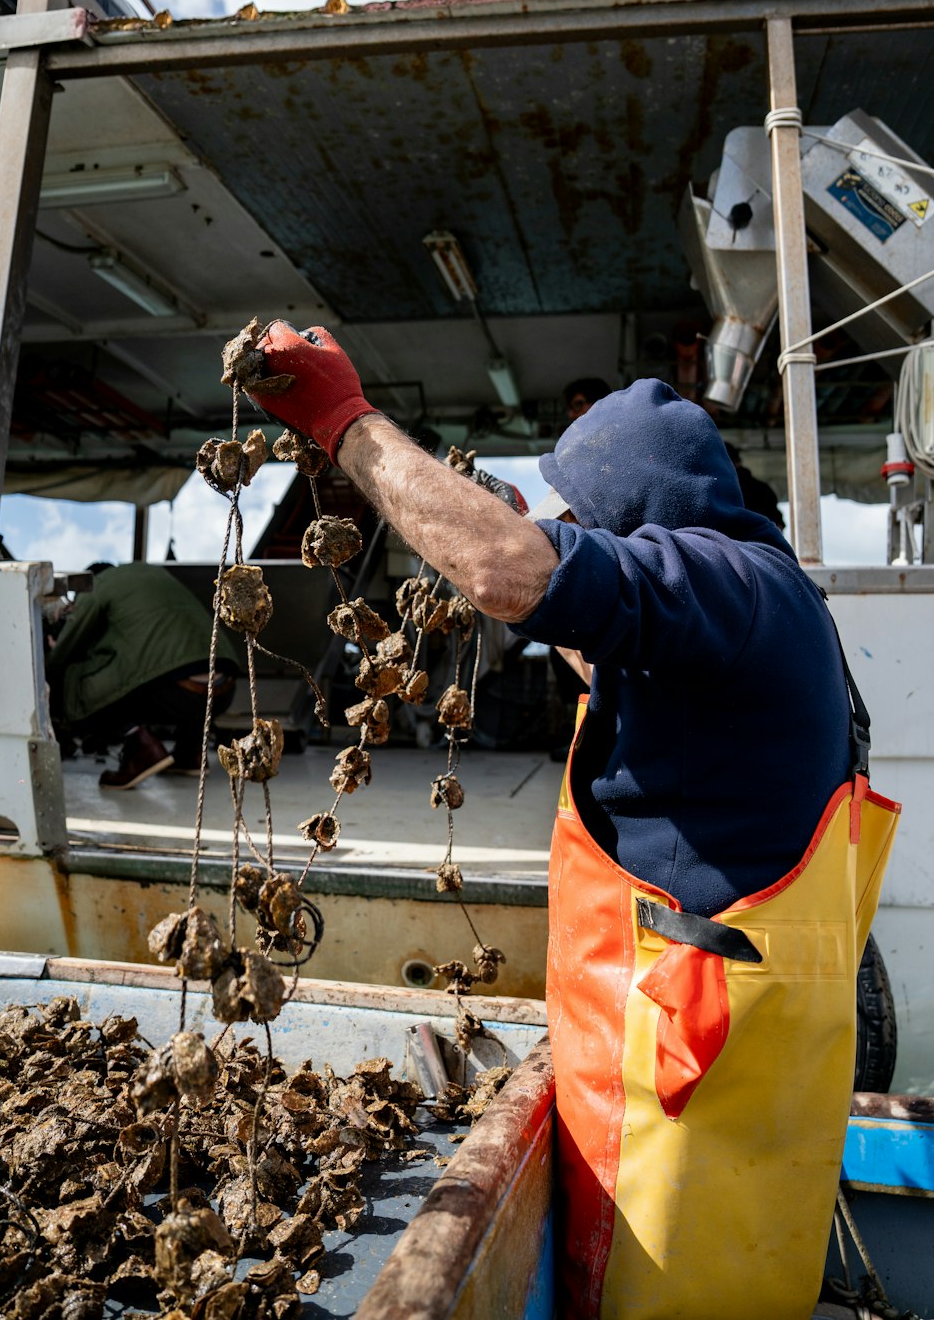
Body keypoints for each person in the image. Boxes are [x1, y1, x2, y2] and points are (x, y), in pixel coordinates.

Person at [241, 320, 899, 1320]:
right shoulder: (749, 603)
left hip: (685, 1076)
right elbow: (584, 628)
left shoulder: (719, 579)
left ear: (634, 510)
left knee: (672, 1296)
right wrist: (476, 528)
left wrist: (342, 419)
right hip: (716, 1056)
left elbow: (511, 574)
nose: (559, 526)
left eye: (574, 512)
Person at [47, 562, 240, 789]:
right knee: (179, 664)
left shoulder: (98, 584)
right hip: (224, 688)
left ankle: (139, 745)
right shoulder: (153, 574)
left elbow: (67, 650)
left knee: (71, 680)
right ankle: (191, 753)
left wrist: (54, 649)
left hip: (174, 691)